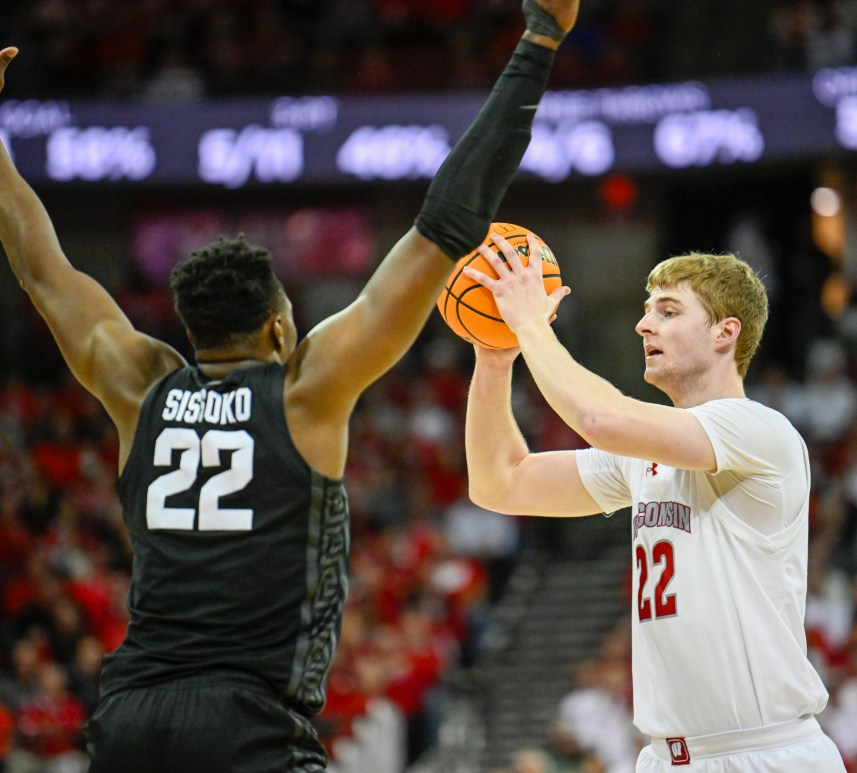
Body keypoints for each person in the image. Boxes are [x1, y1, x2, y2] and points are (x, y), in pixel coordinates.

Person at [0, 1, 580, 769]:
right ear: (279, 329)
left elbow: (42, 266)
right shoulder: (306, 390)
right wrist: (539, 43)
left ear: (190, 331)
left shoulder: (137, 386)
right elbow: (445, 225)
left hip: (132, 713)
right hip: (249, 721)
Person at [463, 234, 847, 771]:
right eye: (646, 312)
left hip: (763, 753)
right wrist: (495, 358)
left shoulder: (759, 430)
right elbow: (499, 483)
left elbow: (601, 418)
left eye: (668, 311)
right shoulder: (642, 455)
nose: (645, 325)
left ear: (725, 333)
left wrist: (529, 323)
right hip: (666, 757)